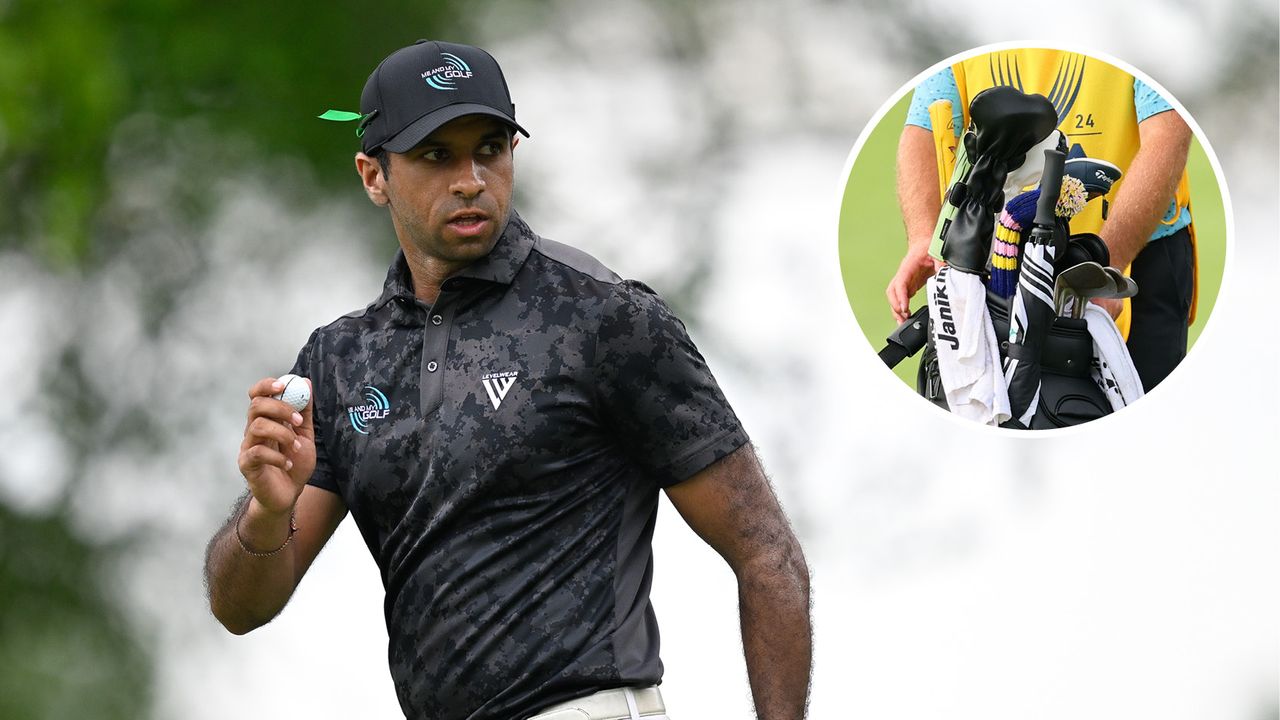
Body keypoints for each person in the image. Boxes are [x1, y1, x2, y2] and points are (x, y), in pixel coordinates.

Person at [202, 39, 811, 720]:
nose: (470, 179)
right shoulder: (341, 361)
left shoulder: (602, 317)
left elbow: (766, 552)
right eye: (436, 155)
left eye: (490, 148)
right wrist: (268, 509)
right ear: (374, 176)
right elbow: (242, 607)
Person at [886, 48, 1195, 391]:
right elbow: (925, 126)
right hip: (987, 252)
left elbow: (1168, 132)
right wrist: (922, 238)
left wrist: (1109, 268)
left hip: (1137, 255)